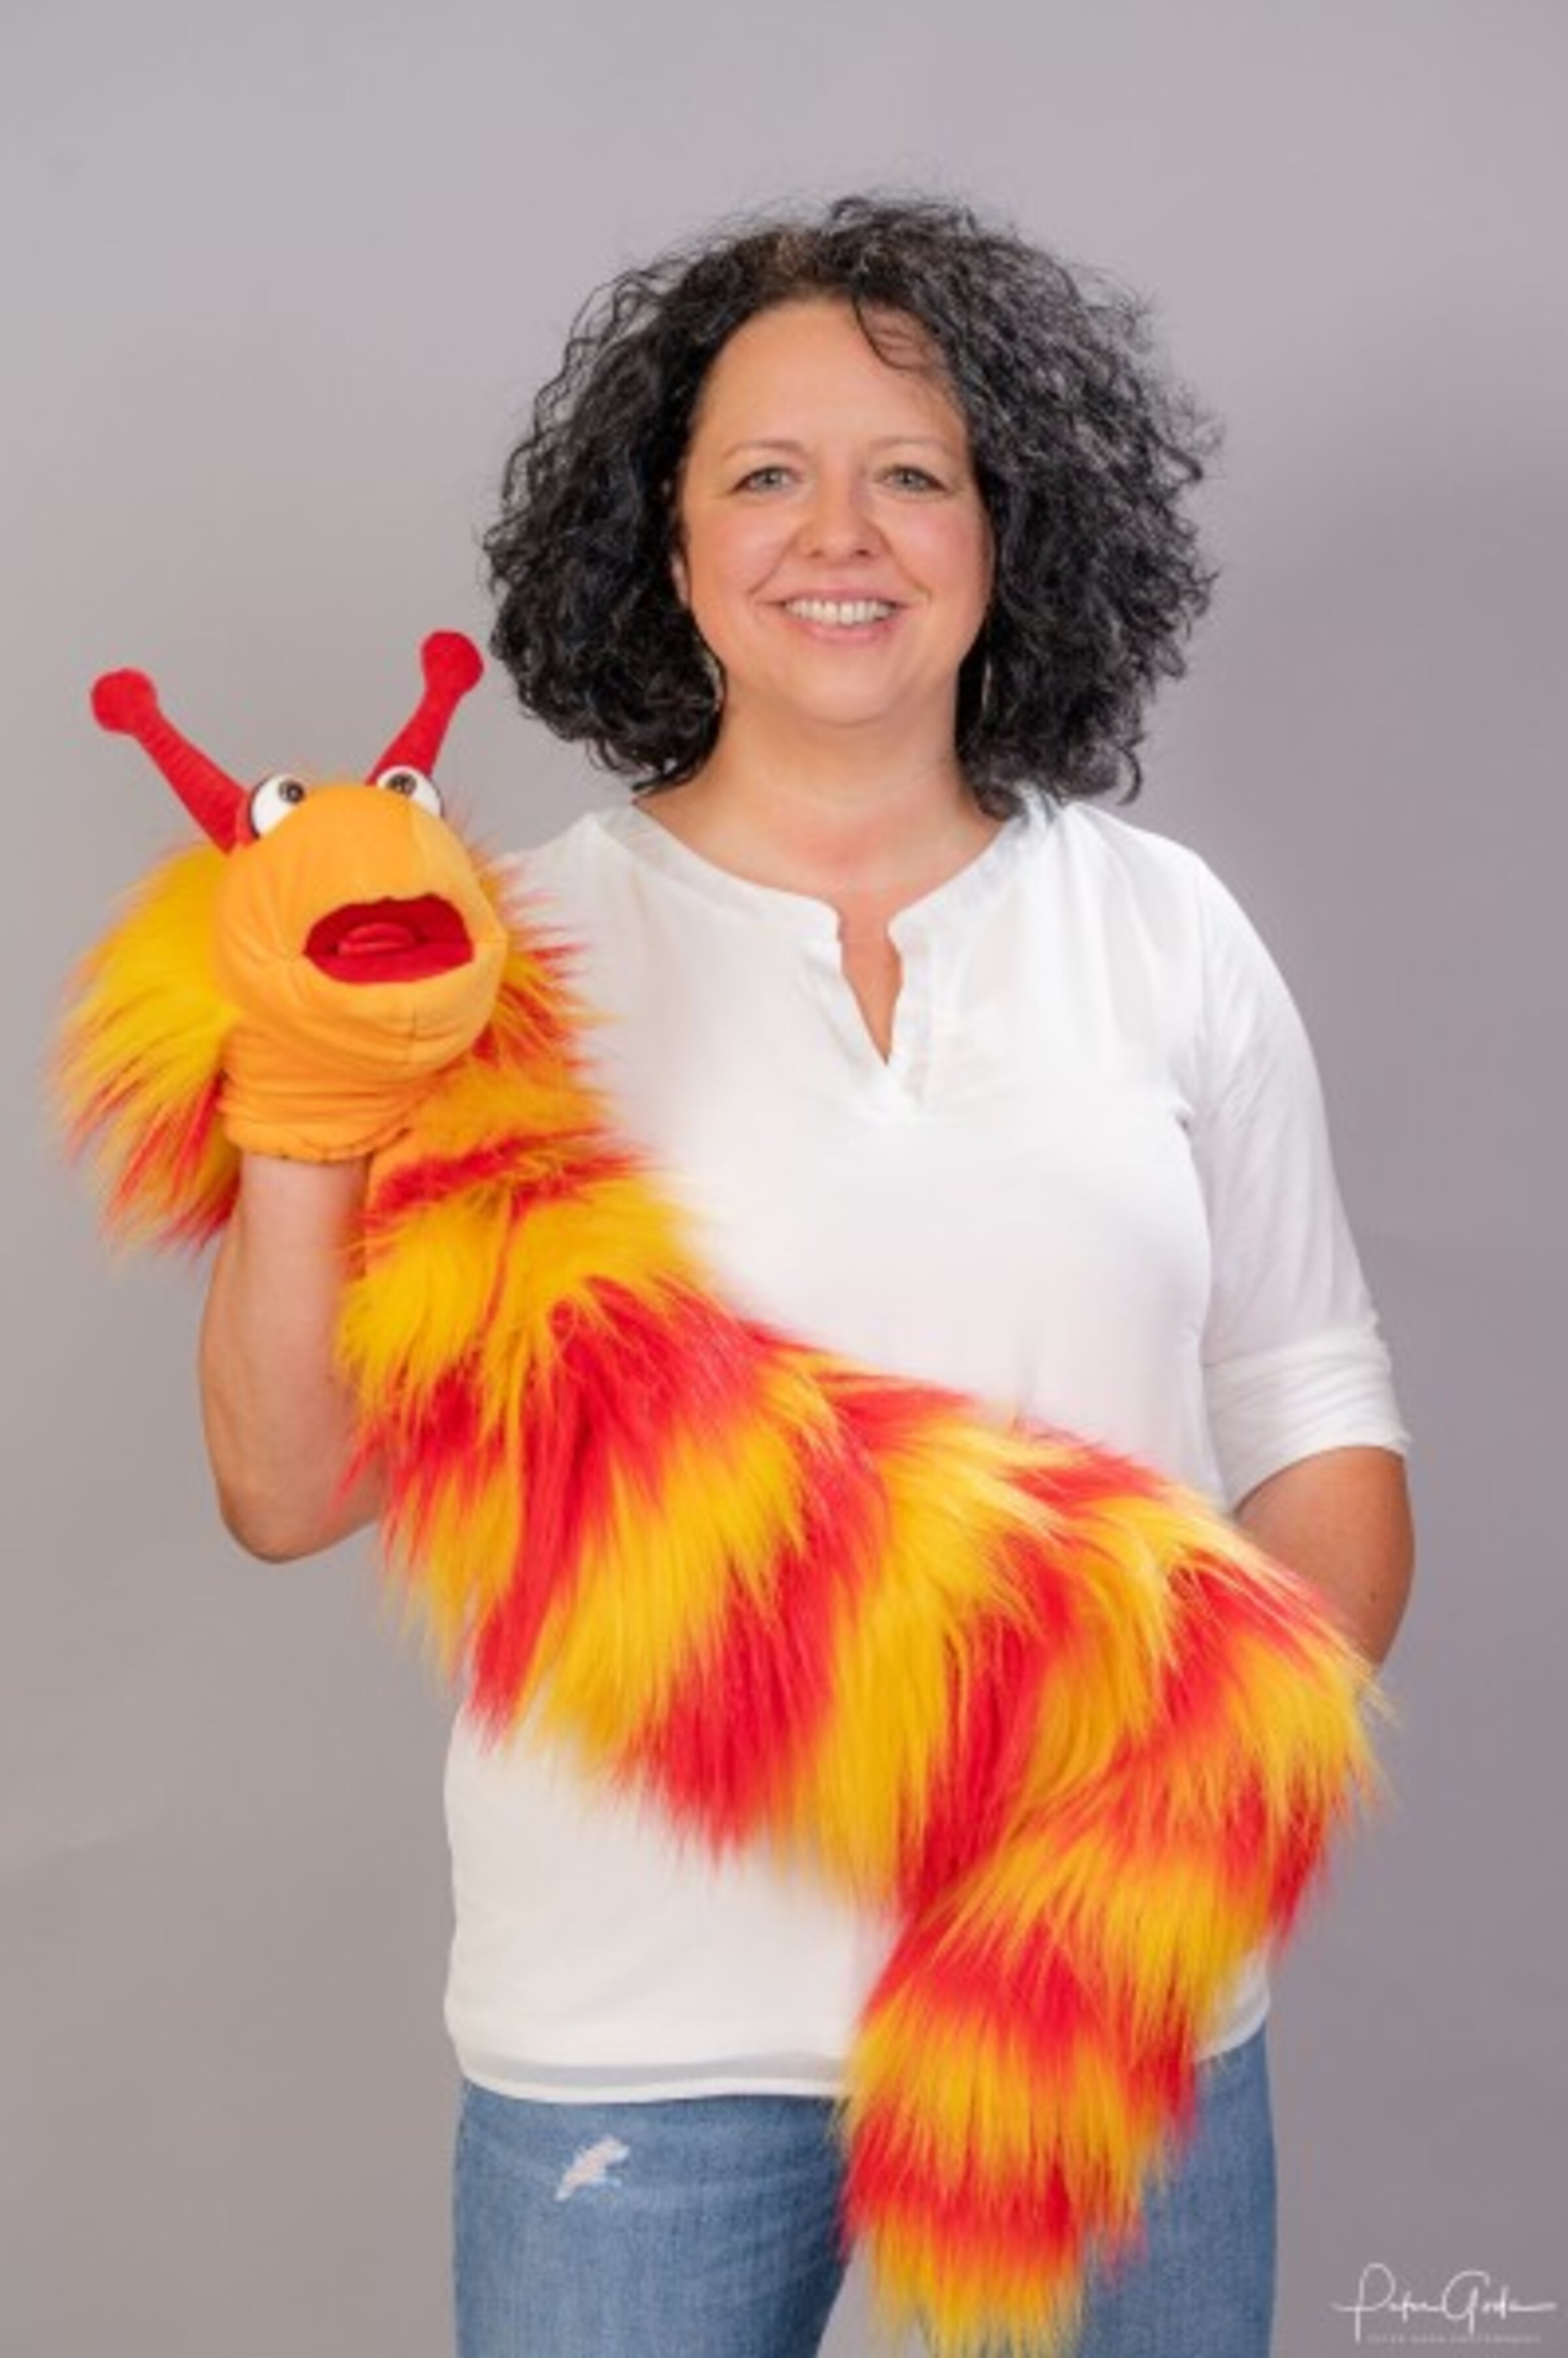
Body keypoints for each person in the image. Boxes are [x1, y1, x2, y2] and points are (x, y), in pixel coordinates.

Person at [199, 194, 1415, 2358]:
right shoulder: (501, 960)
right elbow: (292, 1488)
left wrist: (1178, 1818)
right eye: (764, 472)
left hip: (1106, 2013)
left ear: (1004, 536)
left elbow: (1317, 1421)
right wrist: (300, 1111)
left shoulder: (1167, 933)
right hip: (636, 2042)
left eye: (912, 472)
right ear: (665, 551)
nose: (838, 531)